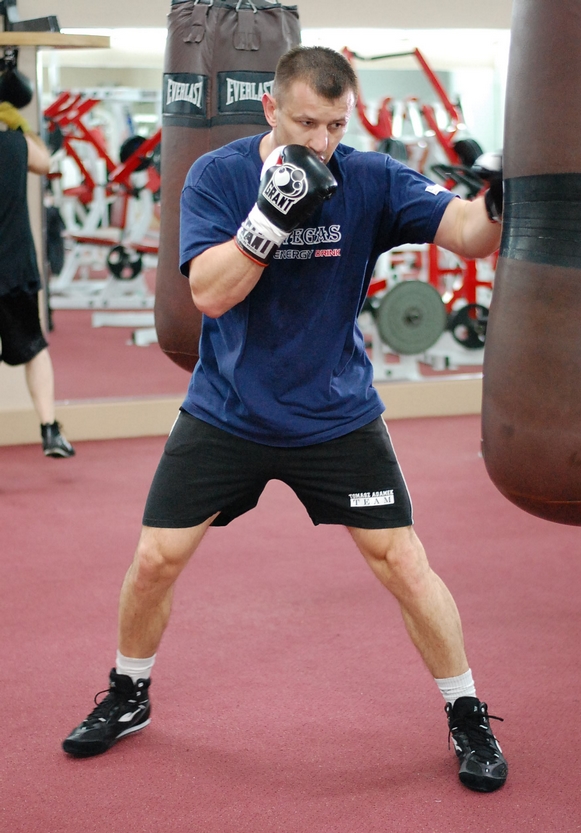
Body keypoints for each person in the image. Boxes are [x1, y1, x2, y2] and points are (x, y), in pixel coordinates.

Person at [62, 47, 506, 792]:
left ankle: (466, 711)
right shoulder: (219, 176)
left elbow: (466, 234)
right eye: (306, 124)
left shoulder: (368, 177)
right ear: (270, 108)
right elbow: (209, 294)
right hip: (226, 410)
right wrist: (269, 217)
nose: (322, 142)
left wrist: (498, 199)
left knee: (402, 562)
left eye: (336, 124)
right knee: (155, 560)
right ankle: (129, 691)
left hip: (335, 413)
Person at [0, 101, 75, 458]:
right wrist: (21, 127)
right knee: (35, 350)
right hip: (14, 269)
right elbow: (45, 161)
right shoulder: (15, 145)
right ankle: (50, 430)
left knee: (35, 349)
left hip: (14, 268)